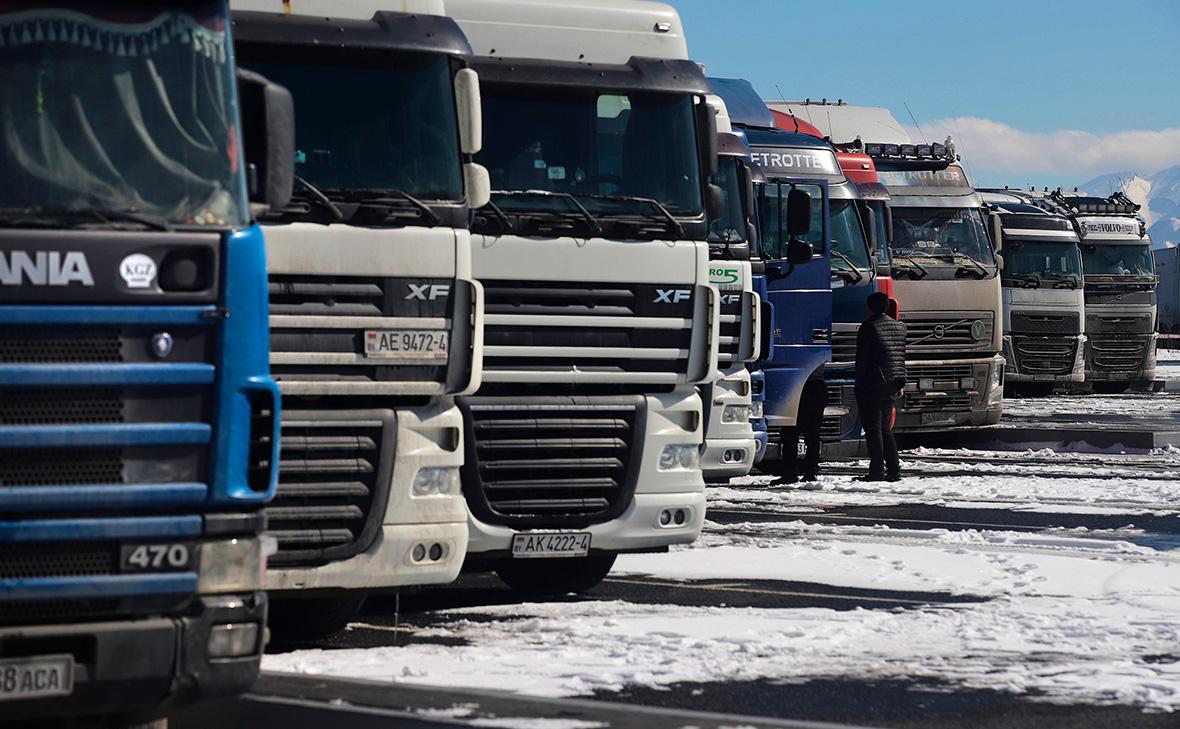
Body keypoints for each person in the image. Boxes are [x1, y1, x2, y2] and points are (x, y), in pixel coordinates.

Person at [855, 291, 907, 482]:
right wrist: (901, 382)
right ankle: (894, 470)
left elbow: (863, 359)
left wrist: (858, 383)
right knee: (885, 429)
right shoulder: (900, 327)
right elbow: (900, 357)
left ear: (869, 307)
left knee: (873, 429)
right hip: (893, 383)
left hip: (873, 383)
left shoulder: (869, 327)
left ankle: (876, 470)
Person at [772, 377, 827, 485]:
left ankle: (790, 473)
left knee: (790, 432)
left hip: (800, 385)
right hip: (818, 386)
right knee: (813, 434)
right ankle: (811, 472)